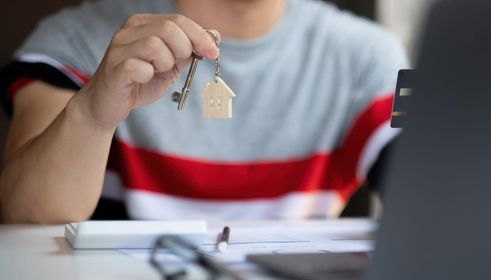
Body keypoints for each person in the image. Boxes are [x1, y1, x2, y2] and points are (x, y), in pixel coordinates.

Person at [0, 0, 407, 223]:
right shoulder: (76, 39)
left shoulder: (368, 55)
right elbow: (26, 213)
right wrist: (92, 114)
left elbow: (434, 195)